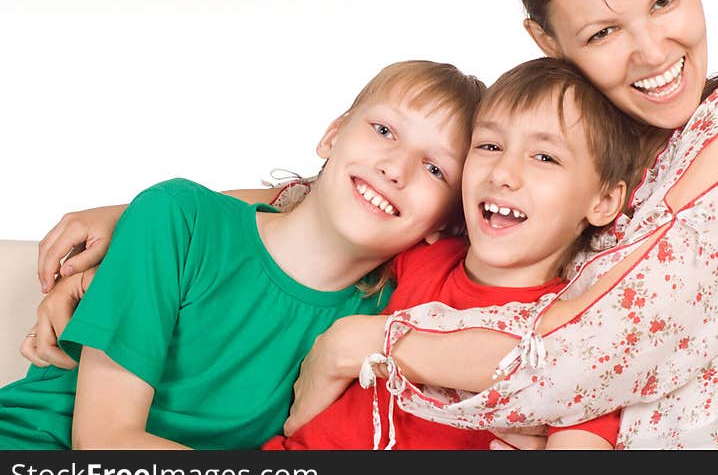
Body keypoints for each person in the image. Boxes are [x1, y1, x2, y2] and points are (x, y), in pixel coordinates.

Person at [281, 0, 718, 450]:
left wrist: (370, 343)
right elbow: (399, 193)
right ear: (548, 41)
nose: (652, 51)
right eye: (603, 33)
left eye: (665, 0)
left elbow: (598, 344)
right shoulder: (564, 158)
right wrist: (222, 209)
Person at [0, 60, 485, 449]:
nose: (395, 168)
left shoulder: (384, 315)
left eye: (434, 168)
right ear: (332, 136)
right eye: (383, 130)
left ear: (445, 222)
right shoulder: (179, 219)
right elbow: (104, 441)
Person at [262, 56, 638, 450]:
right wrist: (205, 210)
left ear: (605, 200)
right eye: (489, 146)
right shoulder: (423, 253)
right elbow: (322, 210)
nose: (502, 173)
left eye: (545, 157)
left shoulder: (575, 337)